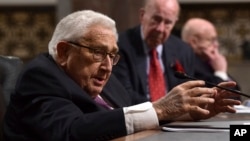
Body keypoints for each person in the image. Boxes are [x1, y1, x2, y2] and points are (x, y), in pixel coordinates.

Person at [3, 10, 241, 141]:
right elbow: (71, 131)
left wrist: (188, 110)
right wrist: (160, 109)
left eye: (113, 55)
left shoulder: (100, 73)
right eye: (98, 52)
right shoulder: (41, 76)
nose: (108, 66)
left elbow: (134, 106)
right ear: (64, 51)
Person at [112, 0, 195, 102]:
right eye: (156, 19)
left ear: (174, 23)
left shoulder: (183, 50)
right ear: (142, 15)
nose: (160, 29)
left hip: (177, 116)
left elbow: (187, 91)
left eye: (168, 22)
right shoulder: (120, 45)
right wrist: (163, 108)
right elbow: (123, 94)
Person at [181, 17, 241, 100]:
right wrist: (220, 71)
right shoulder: (188, 65)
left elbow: (237, 93)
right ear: (194, 42)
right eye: (211, 40)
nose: (216, 45)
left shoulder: (210, 62)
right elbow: (219, 97)